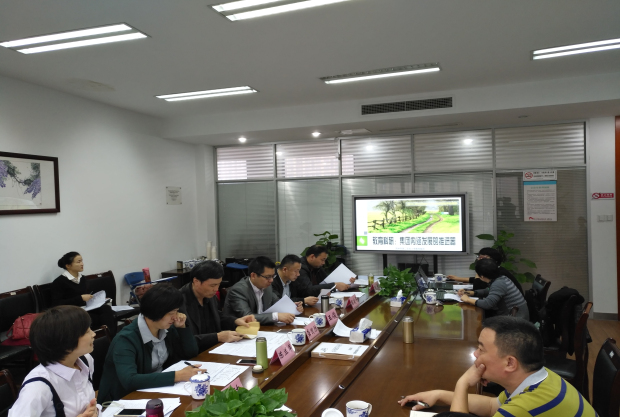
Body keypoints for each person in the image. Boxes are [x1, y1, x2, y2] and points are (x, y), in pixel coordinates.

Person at [399, 316, 596, 416]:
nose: (475, 355)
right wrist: (440, 394)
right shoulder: (536, 378)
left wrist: (462, 383)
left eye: (481, 349)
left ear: (510, 363)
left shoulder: (527, 405)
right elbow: (492, 406)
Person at [97, 283, 200, 402]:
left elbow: (191, 352)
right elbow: (129, 380)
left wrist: (182, 328)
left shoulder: (166, 328)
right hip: (123, 400)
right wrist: (177, 376)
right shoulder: (125, 339)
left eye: (177, 311)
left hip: (155, 390)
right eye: (172, 313)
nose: (175, 317)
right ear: (157, 311)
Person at [9, 305, 100, 417]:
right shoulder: (38, 386)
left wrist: (94, 411)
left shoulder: (85, 360)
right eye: (87, 331)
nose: (93, 334)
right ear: (66, 341)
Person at [180, 260, 256, 351]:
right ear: (196, 281)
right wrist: (217, 337)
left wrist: (235, 321)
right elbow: (185, 341)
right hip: (196, 353)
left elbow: (217, 316)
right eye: (212, 285)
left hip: (214, 349)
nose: (216, 289)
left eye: (218, 284)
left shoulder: (209, 295)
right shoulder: (179, 302)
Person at [51, 251, 117, 335]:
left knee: (106, 309)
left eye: (82, 261)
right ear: (68, 266)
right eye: (78, 262)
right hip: (71, 312)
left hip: (85, 308)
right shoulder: (59, 282)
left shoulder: (82, 278)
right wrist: (80, 298)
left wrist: (98, 299)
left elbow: (86, 295)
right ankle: (107, 337)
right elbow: (57, 304)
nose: (82, 264)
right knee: (99, 318)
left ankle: (111, 337)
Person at [223, 256, 303, 325]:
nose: (271, 280)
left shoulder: (267, 286)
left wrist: (292, 306)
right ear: (253, 276)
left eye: (273, 276)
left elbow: (277, 302)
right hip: (241, 332)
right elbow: (248, 317)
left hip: (264, 329)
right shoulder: (238, 291)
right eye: (268, 277)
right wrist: (276, 316)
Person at [458, 258, 529, 320]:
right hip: (512, 316)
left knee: (479, 322)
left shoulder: (499, 283)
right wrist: (469, 293)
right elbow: (488, 290)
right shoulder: (500, 278)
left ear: (481, 276)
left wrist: (468, 299)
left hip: (515, 321)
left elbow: (487, 304)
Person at [447, 247, 524, 295]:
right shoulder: (497, 269)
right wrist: (457, 278)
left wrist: (479, 270)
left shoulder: (500, 274)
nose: (478, 259)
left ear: (494, 260)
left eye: (482, 258)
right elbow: (481, 280)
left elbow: (478, 288)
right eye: (479, 257)